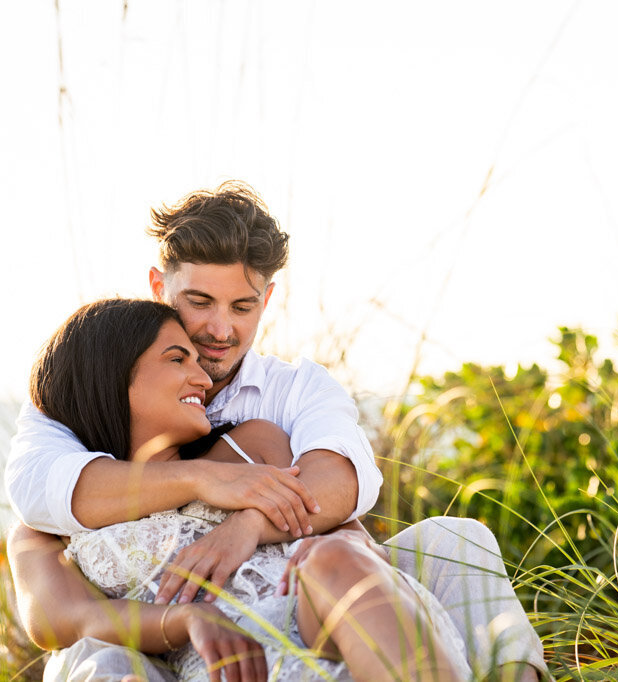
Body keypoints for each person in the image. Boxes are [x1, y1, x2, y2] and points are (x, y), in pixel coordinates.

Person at [4, 182, 546, 680]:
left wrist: (246, 523)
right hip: (169, 645)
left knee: (454, 540)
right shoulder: (72, 395)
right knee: (92, 656)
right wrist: (203, 483)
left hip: (302, 600)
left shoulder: (287, 399)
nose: (220, 330)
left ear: (266, 301)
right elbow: (40, 493)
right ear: (158, 286)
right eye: (198, 303)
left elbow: (343, 481)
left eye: (242, 306)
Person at [10, 298, 470, 681]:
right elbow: (63, 622)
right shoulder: (51, 519)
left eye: (196, 359)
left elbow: (347, 528)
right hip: (222, 663)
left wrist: (320, 542)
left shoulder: (252, 443)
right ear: (109, 373)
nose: (204, 378)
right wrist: (187, 620)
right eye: (177, 359)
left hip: (327, 622)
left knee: (339, 557)